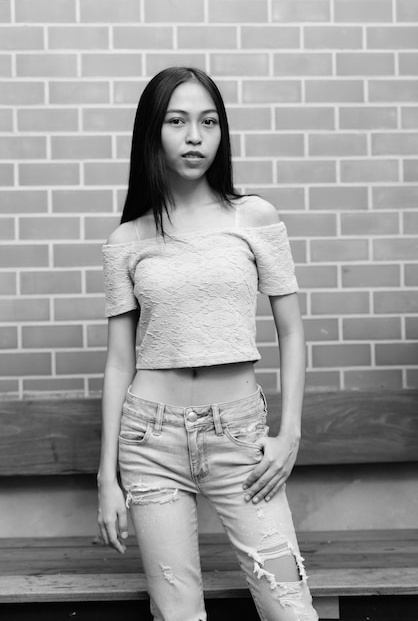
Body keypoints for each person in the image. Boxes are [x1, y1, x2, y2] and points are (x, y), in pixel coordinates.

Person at [97, 66, 318, 621]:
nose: (195, 136)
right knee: (177, 614)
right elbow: (120, 361)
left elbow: (292, 332)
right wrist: (107, 475)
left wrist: (287, 434)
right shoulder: (126, 240)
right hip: (149, 439)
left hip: (239, 434)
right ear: (153, 132)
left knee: (287, 603)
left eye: (209, 122)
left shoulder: (254, 217)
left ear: (221, 133)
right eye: (177, 121)